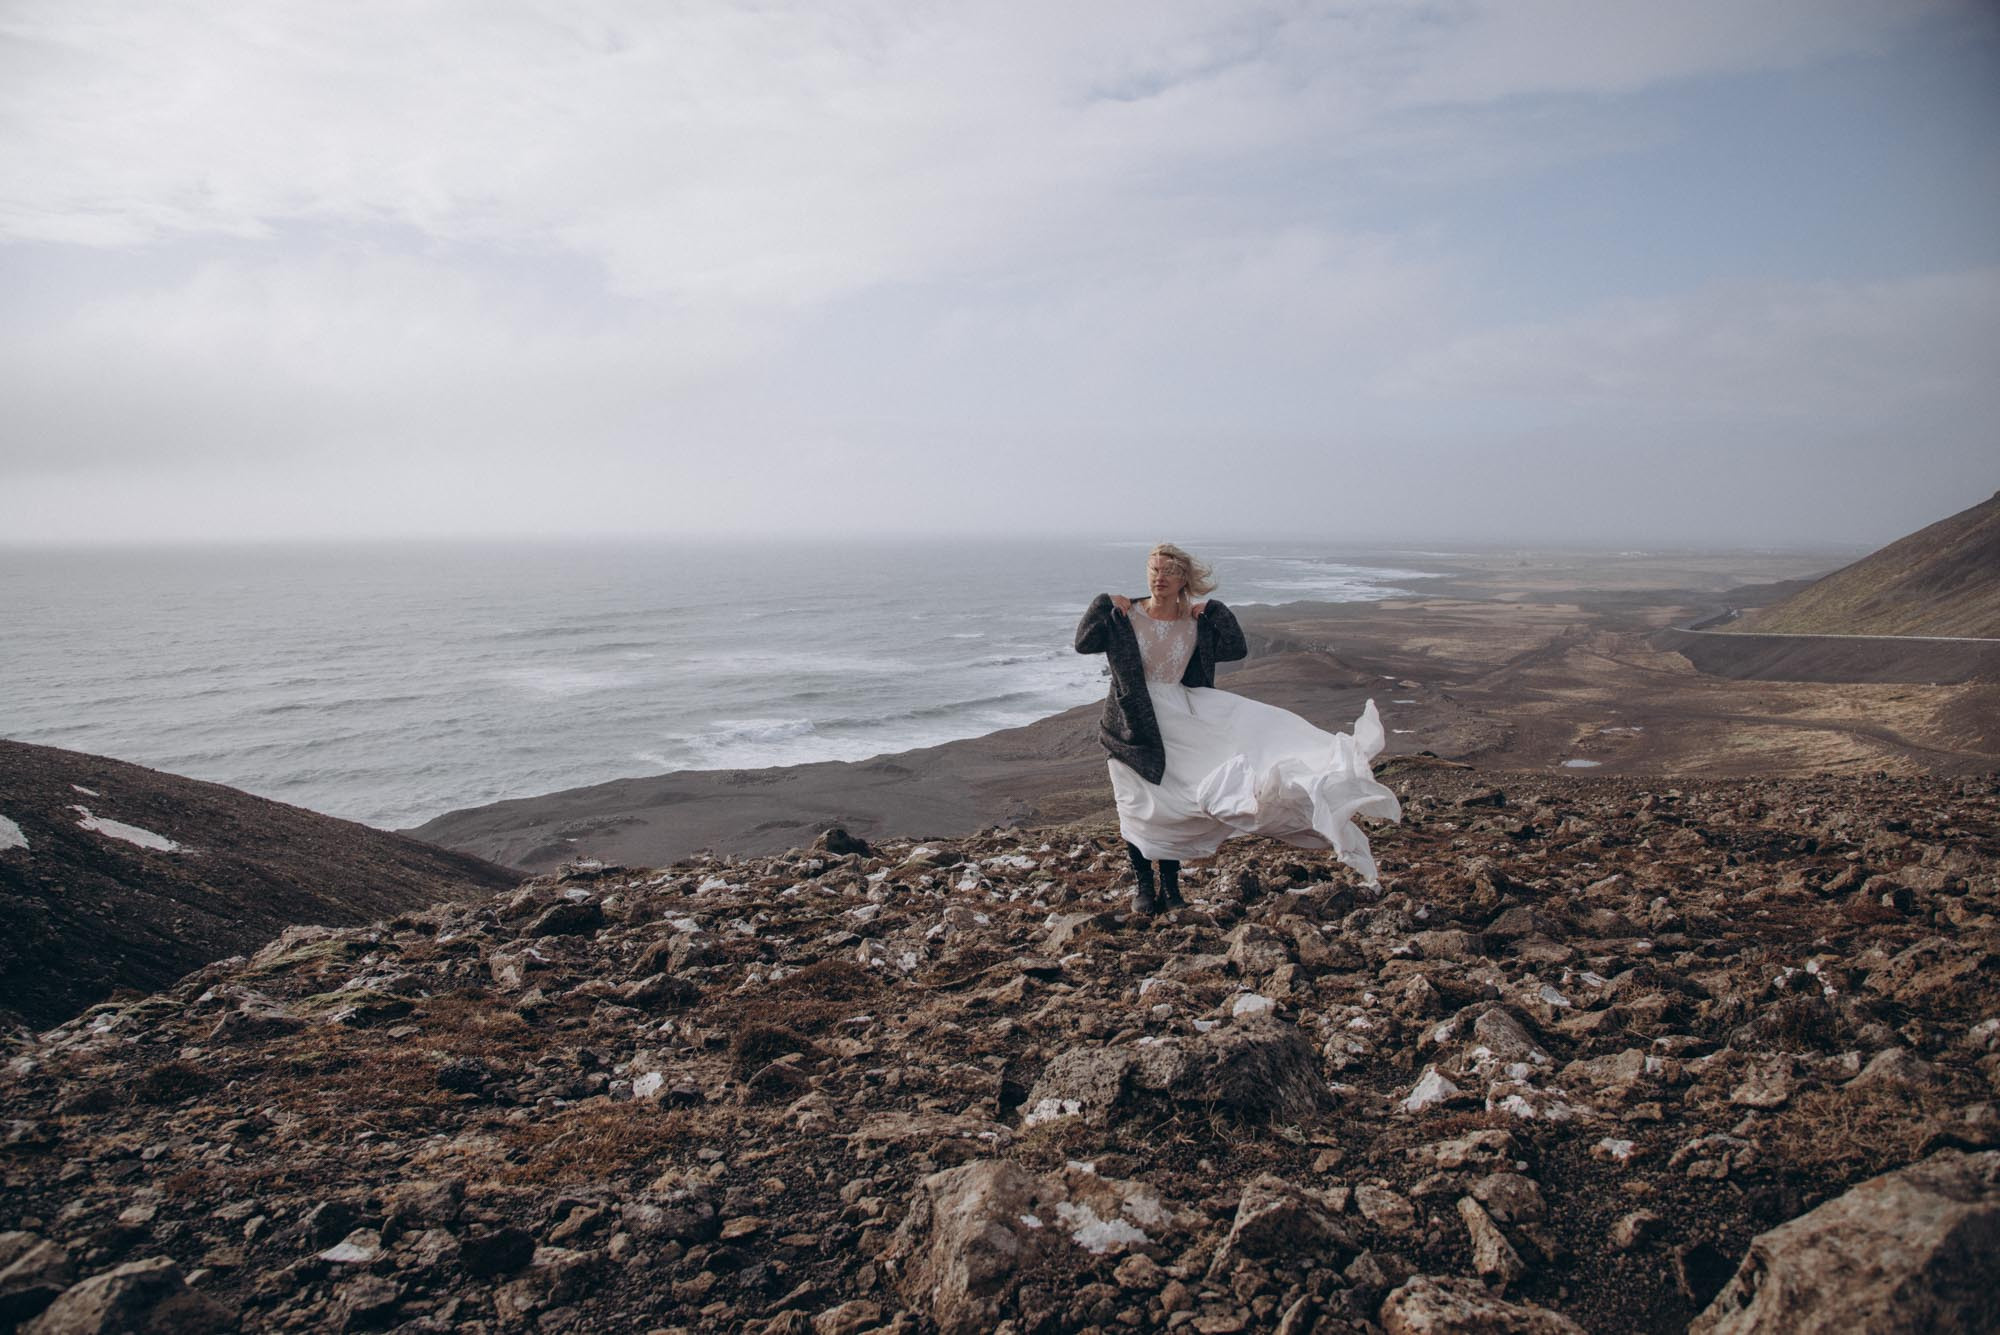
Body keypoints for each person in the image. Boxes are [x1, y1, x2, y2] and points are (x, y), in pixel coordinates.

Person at [1074, 543, 1402, 915]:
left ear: (1184, 579)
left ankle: (1171, 889)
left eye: (1168, 571)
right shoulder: (1125, 614)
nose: (1158, 577)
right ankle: (1144, 889)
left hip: (1182, 721)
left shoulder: (1193, 623)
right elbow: (1083, 643)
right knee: (1135, 807)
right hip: (1130, 725)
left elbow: (1236, 647)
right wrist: (1102, 603)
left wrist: (1215, 611)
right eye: (1153, 569)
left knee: (1175, 807)